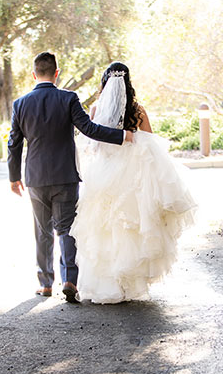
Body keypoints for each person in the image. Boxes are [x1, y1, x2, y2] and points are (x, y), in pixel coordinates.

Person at [8, 51, 134, 302]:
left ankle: (45, 284)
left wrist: (14, 177)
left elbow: (14, 143)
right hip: (65, 175)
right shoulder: (68, 98)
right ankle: (70, 281)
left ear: (34, 74)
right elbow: (89, 128)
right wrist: (121, 136)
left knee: (42, 231)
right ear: (56, 73)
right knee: (66, 229)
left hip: (35, 178)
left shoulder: (20, 104)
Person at [70, 62, 197, 303]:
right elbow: (149, 142)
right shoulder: (138, 110)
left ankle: (108, 285)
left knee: (104, 228)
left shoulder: (97, 108)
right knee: (130, 228)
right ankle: (128, 285)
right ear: (128, 82)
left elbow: (94, 144)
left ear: (105, 83)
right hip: (132, 175)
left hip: (104, 174)